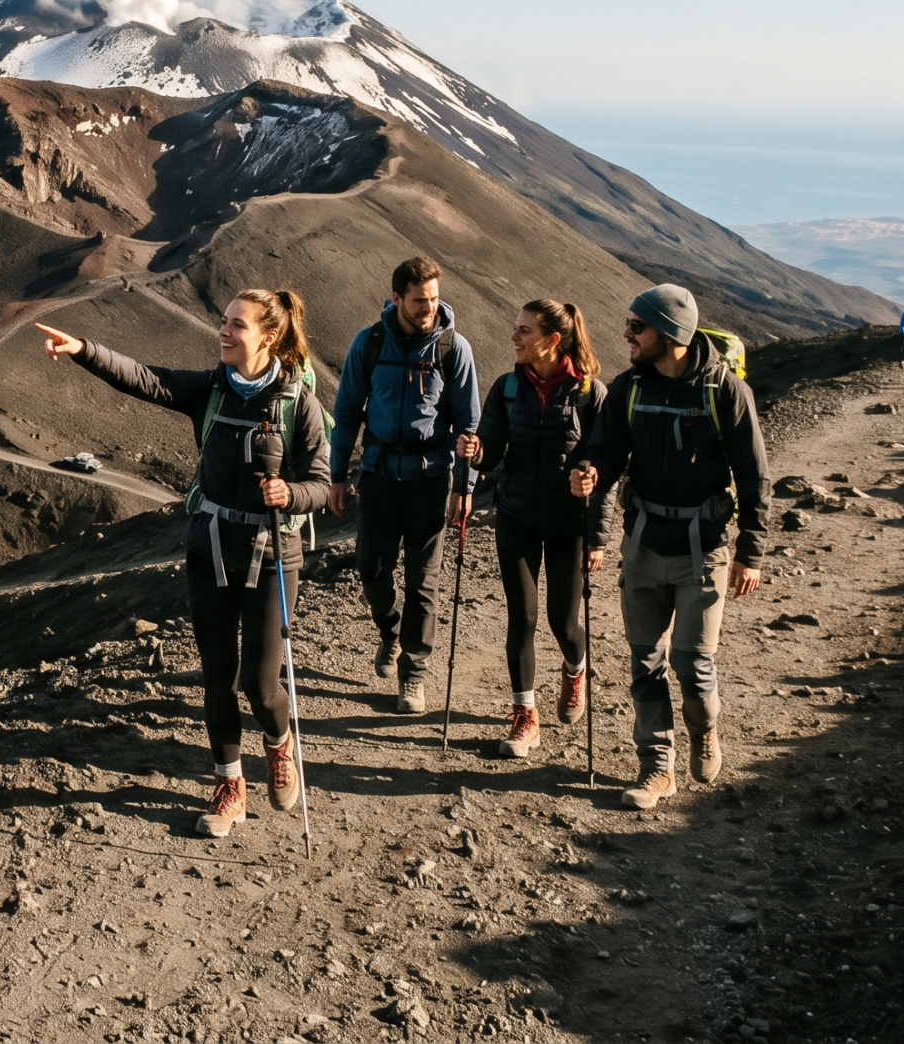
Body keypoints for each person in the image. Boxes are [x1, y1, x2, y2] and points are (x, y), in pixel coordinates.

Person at [36, 287, 333, 839]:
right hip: (211, 546)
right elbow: (145, 378)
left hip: (272, 555)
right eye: (223, 321)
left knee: (261, 684)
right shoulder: (213, 389)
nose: (223, 331)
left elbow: (322, 483)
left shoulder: (299, 404)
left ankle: (279, 742)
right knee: (217, 676)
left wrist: (289, 495)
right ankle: (229, 786)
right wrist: (83, 349)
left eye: (236, 326)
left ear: (267, 337)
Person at [570, 284, 768, 810]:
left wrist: (752, 551)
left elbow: (754, 477)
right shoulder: (629, 388)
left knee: (692, 666)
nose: (627, 334)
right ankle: (657, 767)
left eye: (638, 326)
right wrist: (591, 473)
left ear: (672, 333)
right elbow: (605, 452)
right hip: (642, 545)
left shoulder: (724, 392)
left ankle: (704, 729)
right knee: (644, 662)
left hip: (704, 550)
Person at [456, 300, 619, 758]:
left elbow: (603, 469)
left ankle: (575, 669)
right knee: (522, 617)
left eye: (524, 331)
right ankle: (525, 715)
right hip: (517, 515)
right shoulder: (507, 388)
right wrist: (476, 450)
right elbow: (491, 451)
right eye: (515, 328)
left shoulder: (591, 393)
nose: (514, 337)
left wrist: (599, 537)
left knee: (564, 622)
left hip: (571, 524)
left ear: (552, 341)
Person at [330, 256, 481, 713]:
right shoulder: (370, 342)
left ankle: (413, 674)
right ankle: (390, 631)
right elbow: (347, 412)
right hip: (376, 476)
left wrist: (465, 486)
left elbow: (468, 423)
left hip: (430, 480)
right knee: (370, 568)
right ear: (396, 298)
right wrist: (336, 476)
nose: (428, 308)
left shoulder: (454, 349)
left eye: (434, 299)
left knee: (423, 583)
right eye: (419, 301)